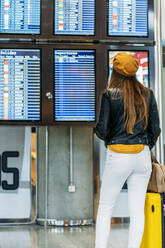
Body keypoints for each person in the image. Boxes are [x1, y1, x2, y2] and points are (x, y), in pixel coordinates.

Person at [94, 52, 161, 248]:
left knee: (106, 208)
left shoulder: (109, 95)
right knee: (137, 210)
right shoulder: (147, 94)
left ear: (115, 71)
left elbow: (103, 130)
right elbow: (155, 129)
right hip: (142, 157)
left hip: (118, 157)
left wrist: (98, 132)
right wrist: (144, 146)